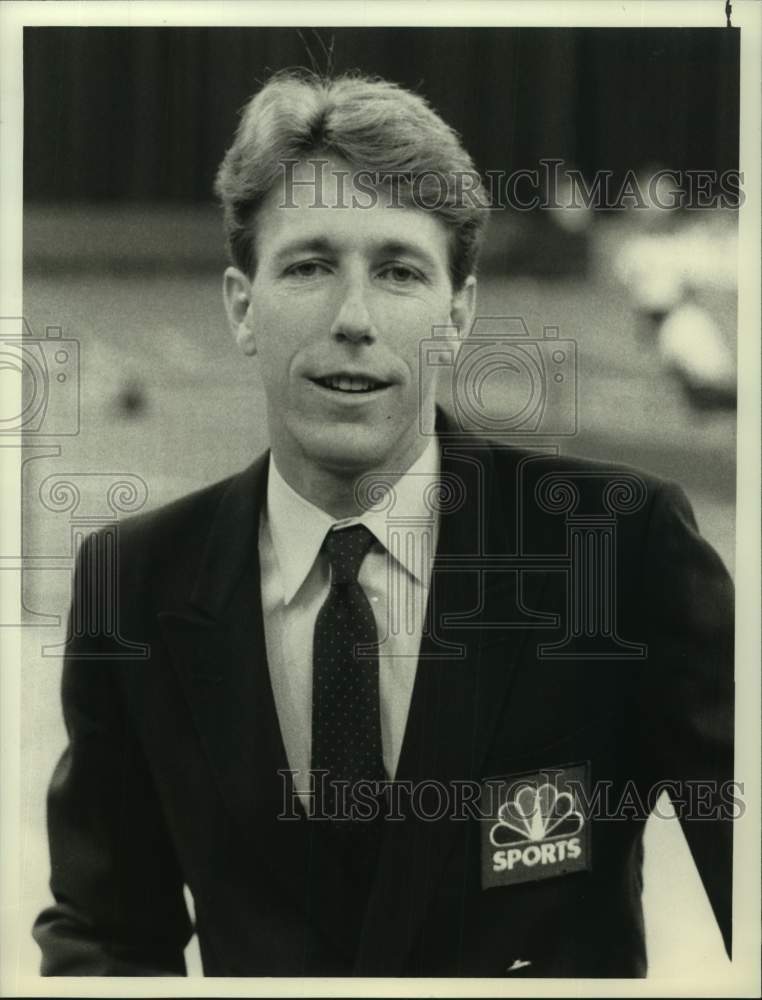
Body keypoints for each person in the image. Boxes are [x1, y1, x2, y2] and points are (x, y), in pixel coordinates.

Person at [33, 70, 734, 978]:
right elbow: (106, 939)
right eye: (311, 265)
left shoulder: (620, 550)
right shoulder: (132, 584)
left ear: (458, 311)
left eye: (399, 271)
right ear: (243, 306)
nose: (354, 318)